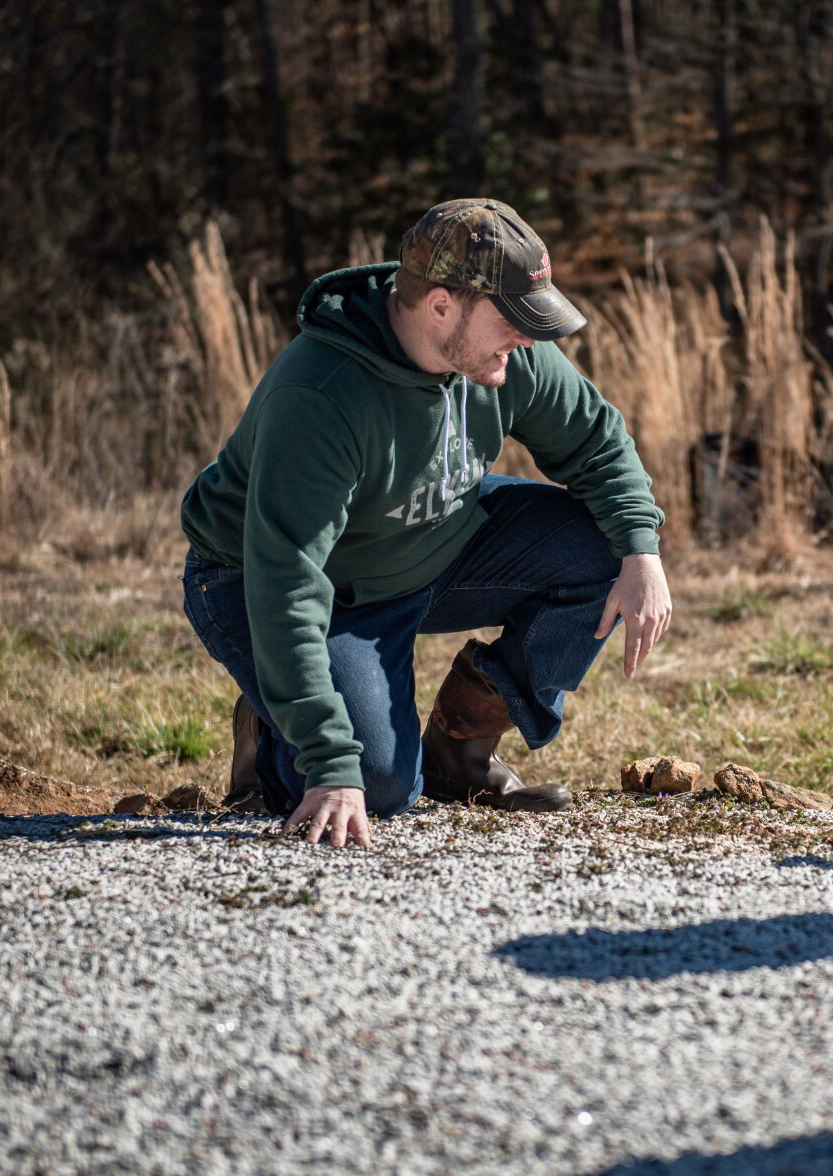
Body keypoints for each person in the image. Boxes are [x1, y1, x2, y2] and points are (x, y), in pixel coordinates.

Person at [178, 197, 671, 848]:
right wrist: (329, 760)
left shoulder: (499, 352)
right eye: (513, 320)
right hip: (272, 581)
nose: (528, 339)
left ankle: (457, 751)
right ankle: (276, 734)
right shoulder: (322, 398)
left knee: (603, 551)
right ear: (441, 305)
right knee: (376, 789)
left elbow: (596, 440)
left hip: (424, 544)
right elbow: (286, 581)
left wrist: (641, 551)